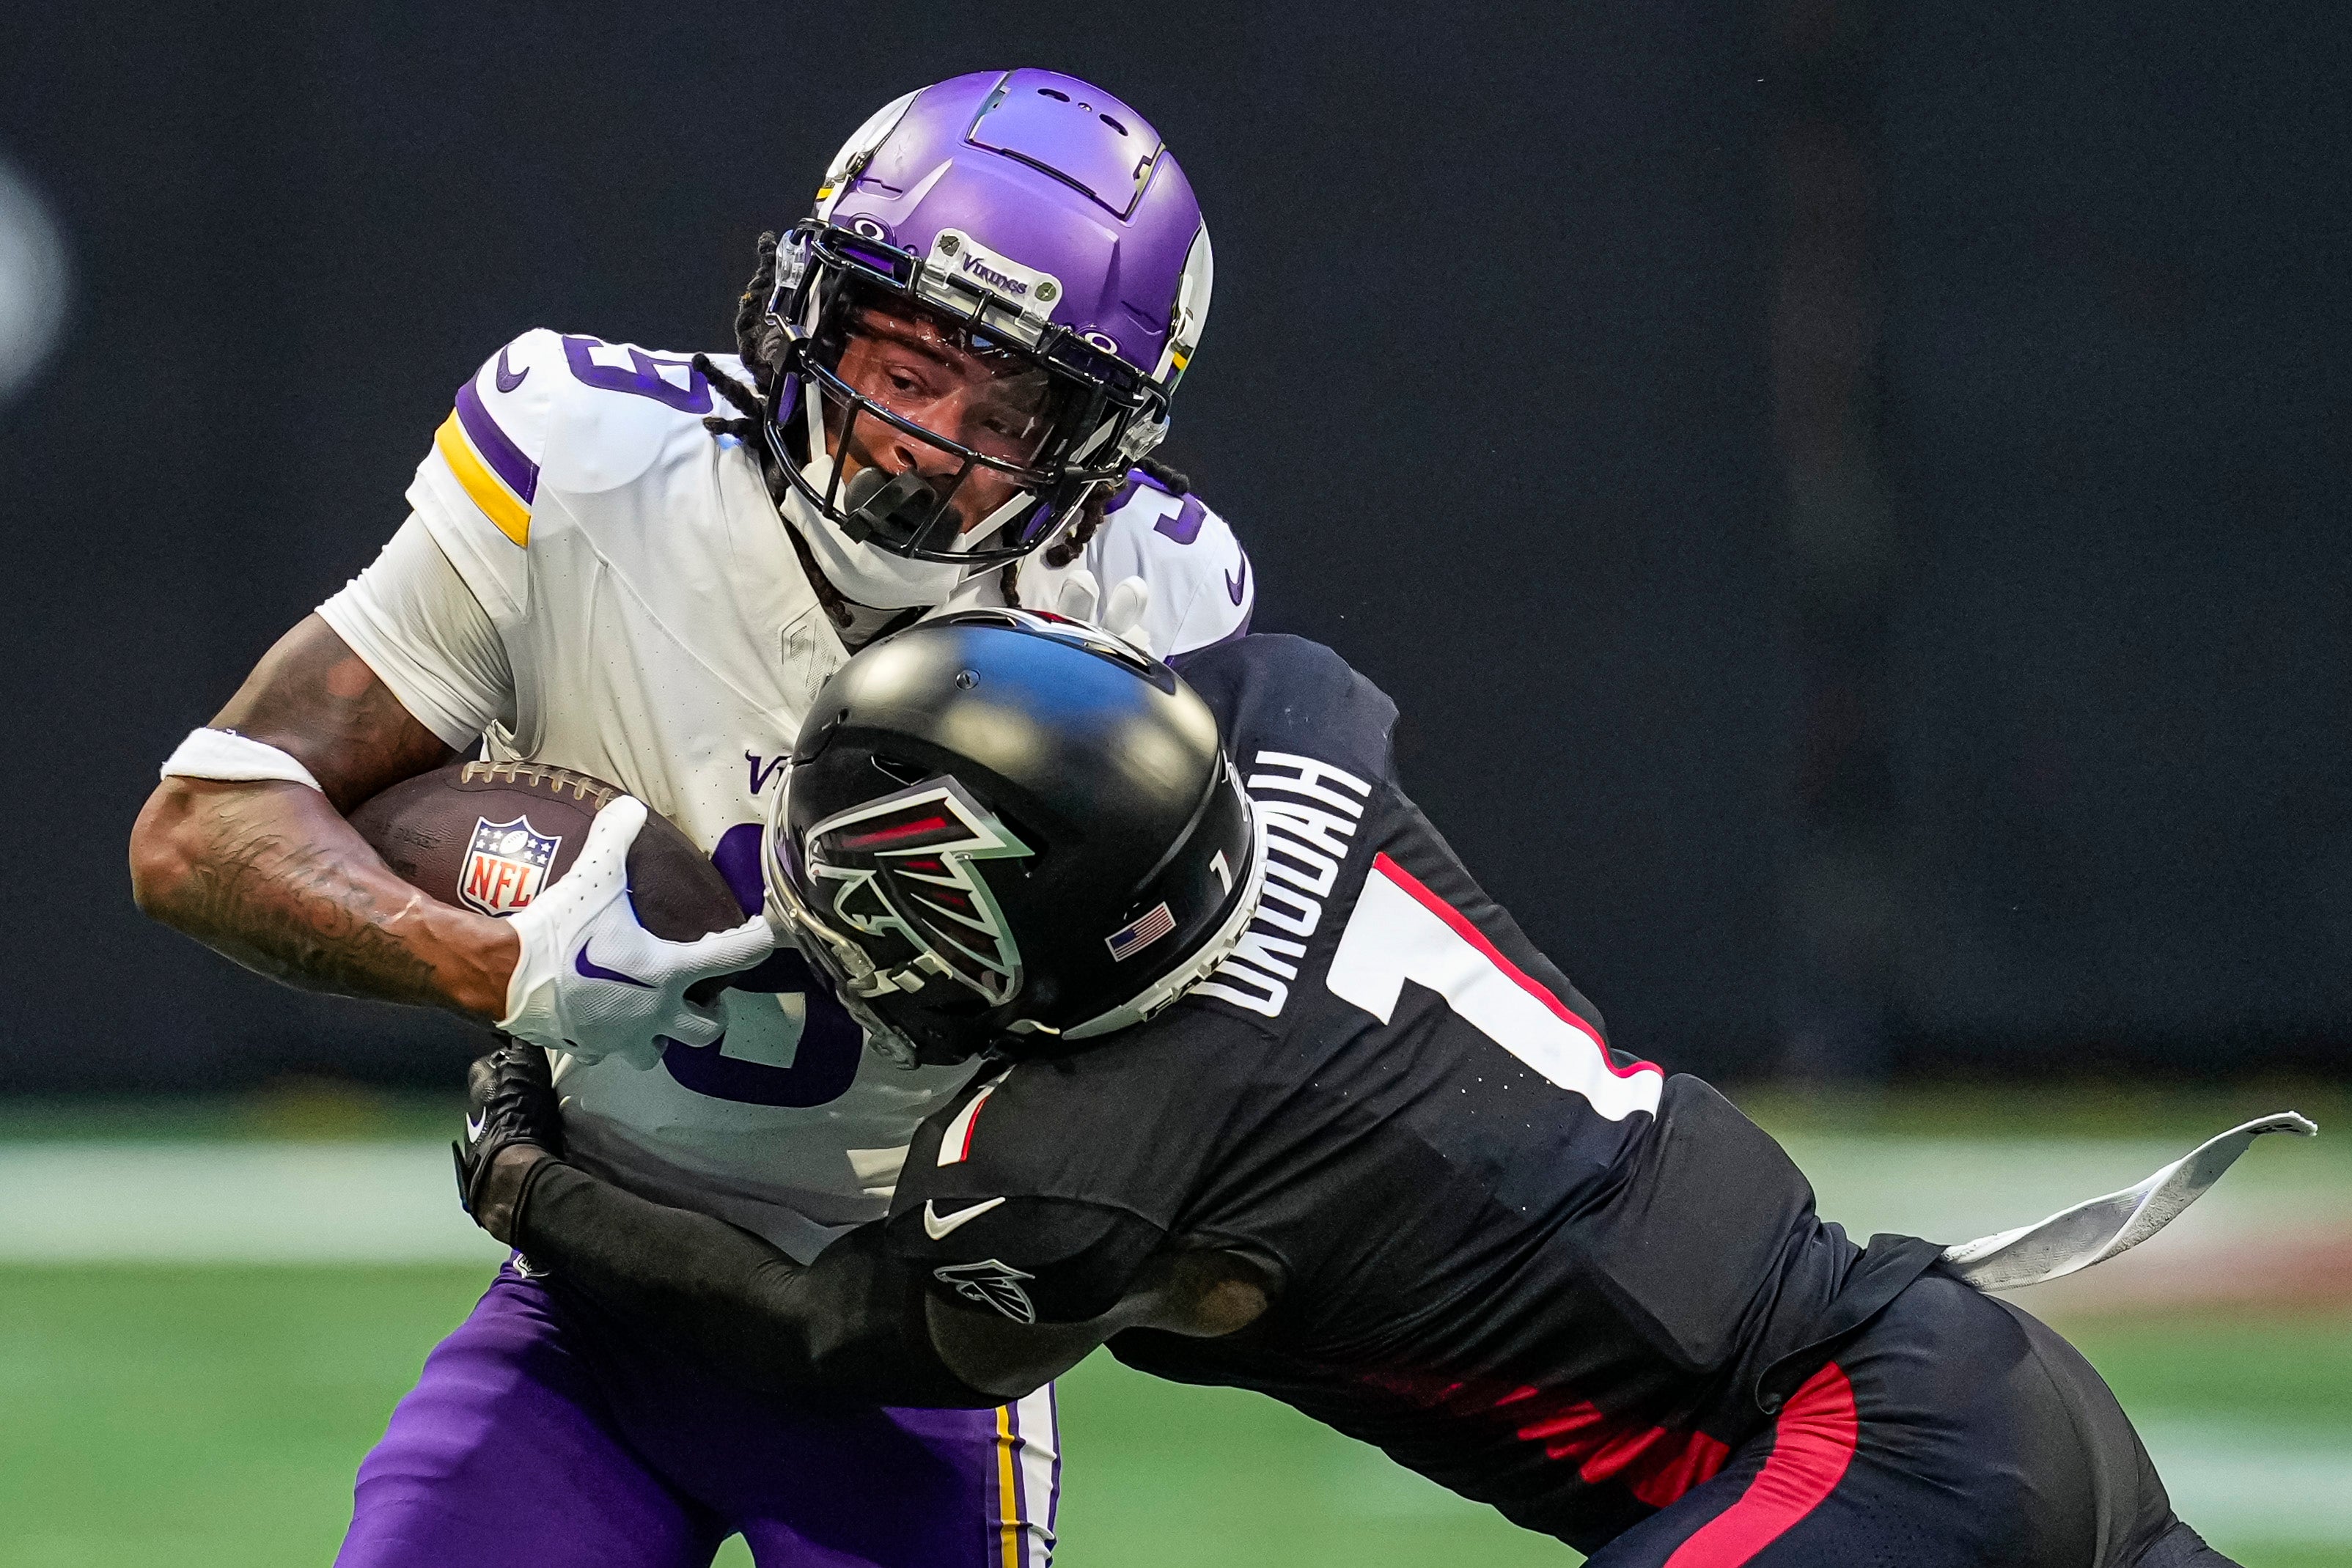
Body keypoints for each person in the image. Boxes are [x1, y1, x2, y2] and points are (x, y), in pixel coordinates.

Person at [455, 611, 2297, 1568]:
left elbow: (828, 1326)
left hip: (1848, 1466)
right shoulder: (1285, 717)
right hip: (1981, 1379)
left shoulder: (1083, 1157)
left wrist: (535, 1186)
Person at [128, 70, 1249, 1568]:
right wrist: (491, 964)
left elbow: (1205, 1045)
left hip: (902, 1336)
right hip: (593, 1294)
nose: (919, 441)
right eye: (902, 360)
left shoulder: (1148, 598)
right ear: (808, 302)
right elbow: (203, 822)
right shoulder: (590, 459)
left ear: (1098, 444)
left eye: (1007, 405)